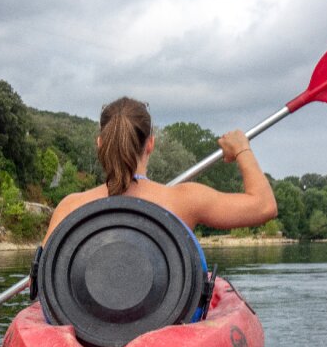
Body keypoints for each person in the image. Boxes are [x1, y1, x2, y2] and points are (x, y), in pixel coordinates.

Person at [43, 96, 278, 243]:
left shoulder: (70, 207)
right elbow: (264, 206)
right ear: (151, 144)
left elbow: (43, 280)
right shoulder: (184, 201)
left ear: (100, 144)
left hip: (89, 323)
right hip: (168, 321)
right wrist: (241, 149)